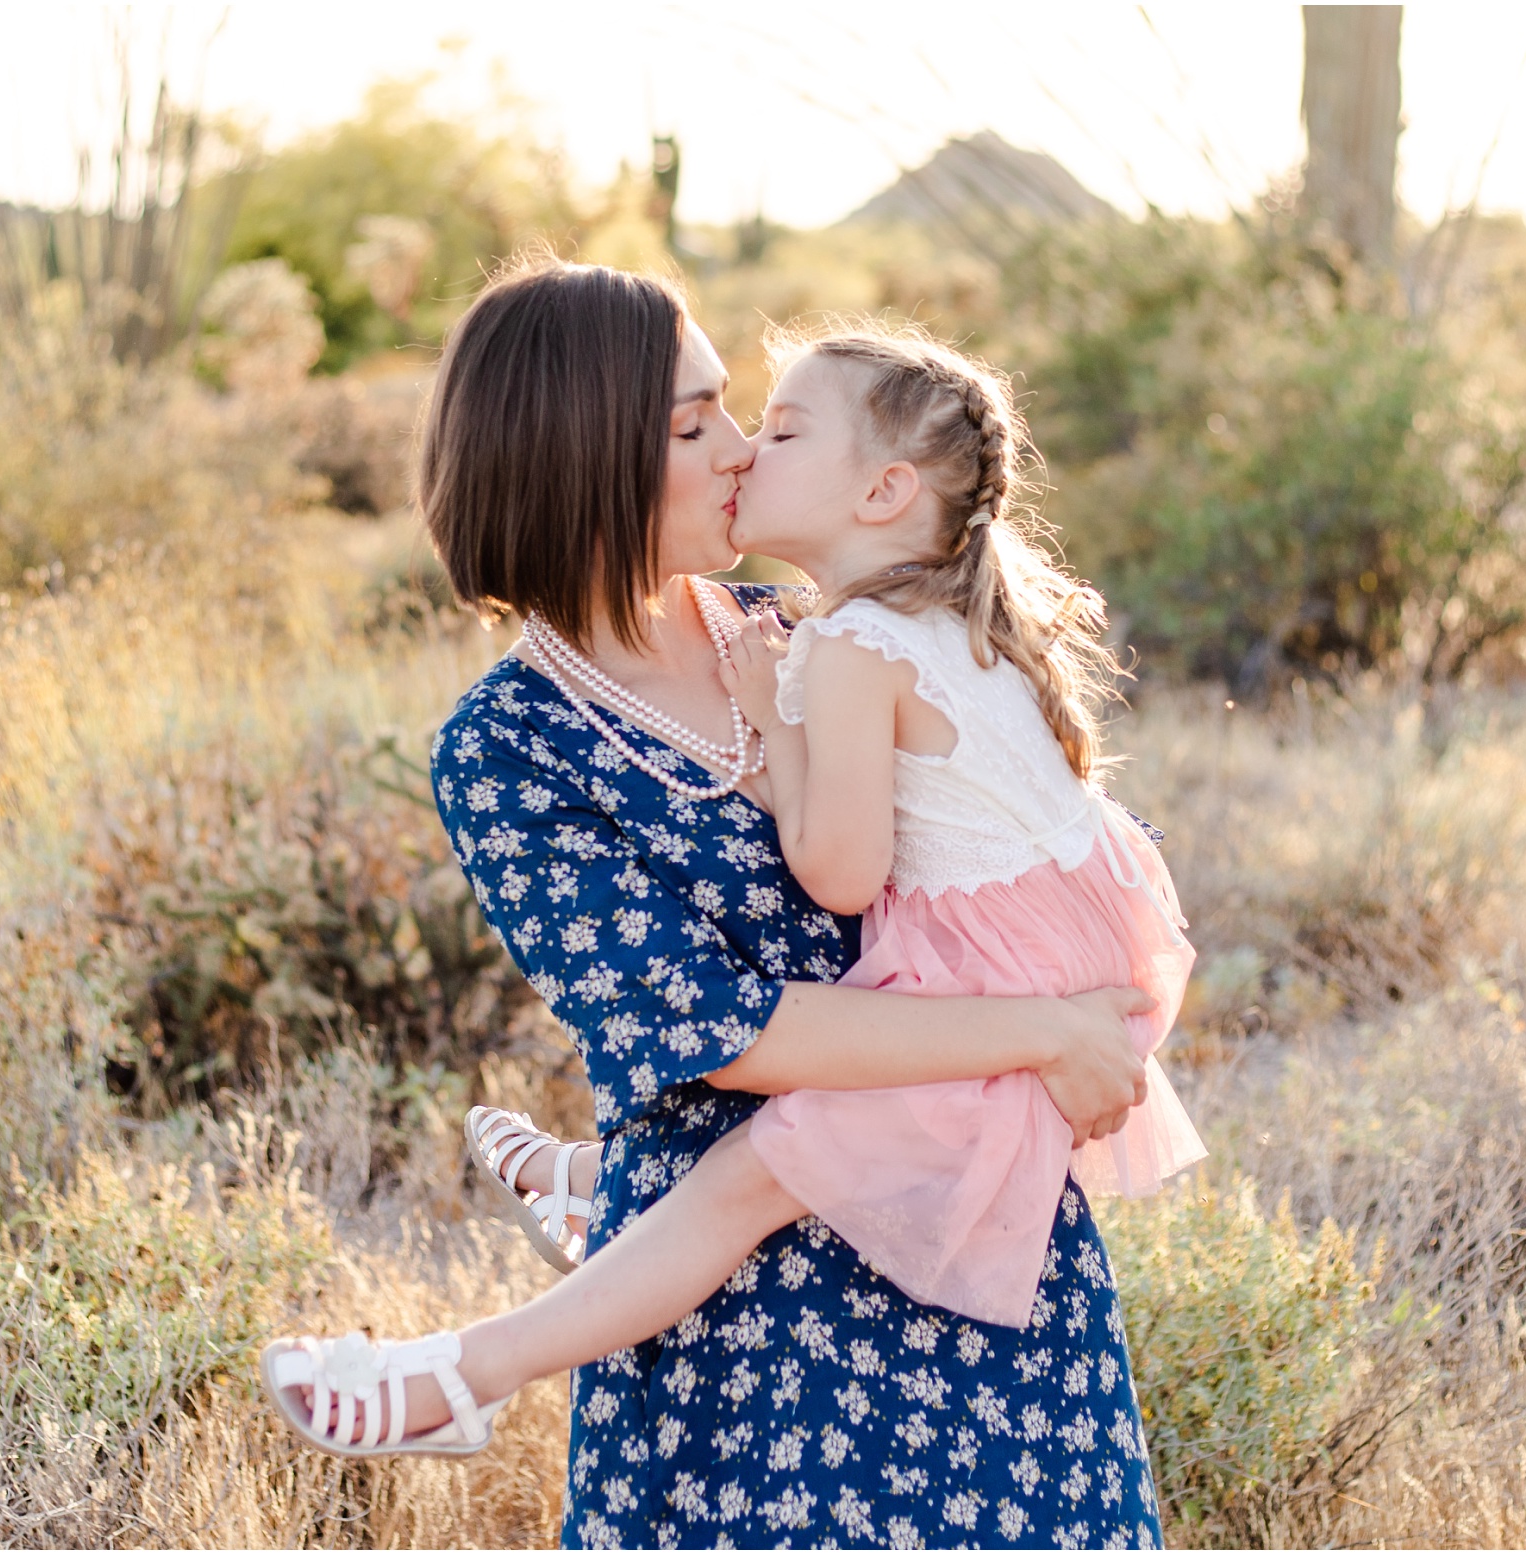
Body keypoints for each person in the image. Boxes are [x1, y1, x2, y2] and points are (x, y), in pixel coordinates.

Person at [263, 260, 1170, 1551]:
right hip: (745, 1341)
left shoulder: (813, 631)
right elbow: (726, 1031)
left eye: (740, 413)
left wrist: (1071, 1008)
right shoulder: (510, 751)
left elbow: (988, 858)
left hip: (965, 1257)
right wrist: (1047, 1029)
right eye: (695, 427)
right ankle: (523, 1295)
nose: (744, 450)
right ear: (579, 461)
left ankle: (588, 1198)